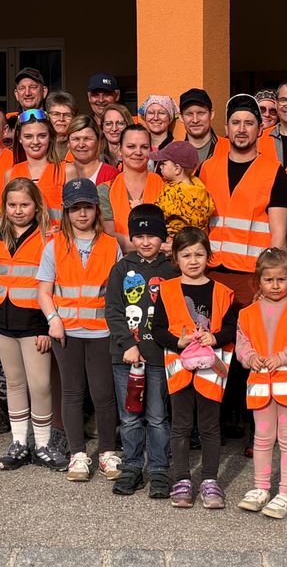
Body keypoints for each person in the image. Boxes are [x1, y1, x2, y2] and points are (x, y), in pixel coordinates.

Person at [36, 178, 122, 482]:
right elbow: (44, 291)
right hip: (66, 333)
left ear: (96, 209)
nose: (81, 214)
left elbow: (119, 293)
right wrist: (53, 319)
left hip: (101, 332)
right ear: (66, 212)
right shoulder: (53, 246)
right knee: (72, 393)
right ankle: (77, 454)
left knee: (103, 393)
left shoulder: (112, 245)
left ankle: (108, 452)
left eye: (87, 207)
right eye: (75, 209)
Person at [0, 178, 60, 467]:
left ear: (37, 207)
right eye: (12, 205)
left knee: (40, 384)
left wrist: (48, 326)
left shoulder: (49, 239)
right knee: (15, 383)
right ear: (4, 207)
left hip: (35, 325)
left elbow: (53, 287)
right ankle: (19, 443)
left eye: (25, 204)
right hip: (1, 322)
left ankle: (44, 444)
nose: (18, 210)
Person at [152, 226, 238, 510]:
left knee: (210, 426)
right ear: (175, 258)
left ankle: (211, 480)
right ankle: (181, 479)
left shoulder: (223, 292)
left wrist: (215, 337)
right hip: (179, 367)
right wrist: (179, 341)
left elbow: (231, 329)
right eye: (186, 254)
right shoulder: (167, 289)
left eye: (199, 254)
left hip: (212, 367)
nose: (193, 260)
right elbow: (158, 329)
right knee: (181, 426)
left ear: (208, 256)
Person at [104, 204, 177, 497]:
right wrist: (129, 345)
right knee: (130, 416)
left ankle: (159, 468)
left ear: (163, 238)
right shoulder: (122, 268)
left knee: (158, 416)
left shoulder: (172, 270)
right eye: (139, 235)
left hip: (159, 357)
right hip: (126, 357)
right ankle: (132, 465)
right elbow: (113, 310)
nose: (146, 242)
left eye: (152, 235)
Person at [236, 248, 287, 520]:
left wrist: (282, 358)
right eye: (269, 280)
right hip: (260, 385)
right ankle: (261, 488)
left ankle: (286, 493)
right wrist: (250, 357)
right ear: (259, 282)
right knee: (262, 440)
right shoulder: (248, 313)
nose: (275, 285)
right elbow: (242, 343)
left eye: (281, 279)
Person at [200, 94, 287, 307]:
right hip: (211, 274)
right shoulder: (207, 169)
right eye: (236, 123)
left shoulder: (275, 173)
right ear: (227, 127)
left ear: (260, 129)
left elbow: (279, 238)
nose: (241, 129)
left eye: (249, 123)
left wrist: (269, 281)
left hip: (252, 278)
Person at [101, 125, 163, 250]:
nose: (138, 152)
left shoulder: (165, 186)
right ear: (120, 149)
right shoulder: (105, 190)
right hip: (120, 263)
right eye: (131, 147)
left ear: (150, 150)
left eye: (144, 147)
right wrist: (154, 247)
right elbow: (109, 235)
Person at [8, 112, 65, 225]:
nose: (35, 142)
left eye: (42, 136)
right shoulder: (11, 173)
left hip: (57, 240)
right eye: (28, 136)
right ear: (20, 138)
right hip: (23, 241)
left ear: (50, 137)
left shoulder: (66, 170)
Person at [152, 140, 213, 238]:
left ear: (177, 169)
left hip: (173, 239)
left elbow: (156, 215)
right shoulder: (200, 190)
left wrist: (140, 208)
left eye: (164, 163)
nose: (160, 167)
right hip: (193, 240)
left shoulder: (171, 191)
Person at [65, 115, 118, 186]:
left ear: (98, 141)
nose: (81, 145)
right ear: (68, 143)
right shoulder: (59, 172)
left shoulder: (111, 174)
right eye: (76, 139)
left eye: (87, 139)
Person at [179, 88, 222, 165]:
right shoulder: (173, 153)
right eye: (189, 114)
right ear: (181, 117)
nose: (195, 120)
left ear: (211, 114)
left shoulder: (230, 148)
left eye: (201, 113)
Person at [45, 91, 77, 156]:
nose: (61, 119)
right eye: (56, 114)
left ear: (74, 118)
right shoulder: (41, 142)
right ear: (47, 116)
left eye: (67, 115)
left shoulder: (79, 144)